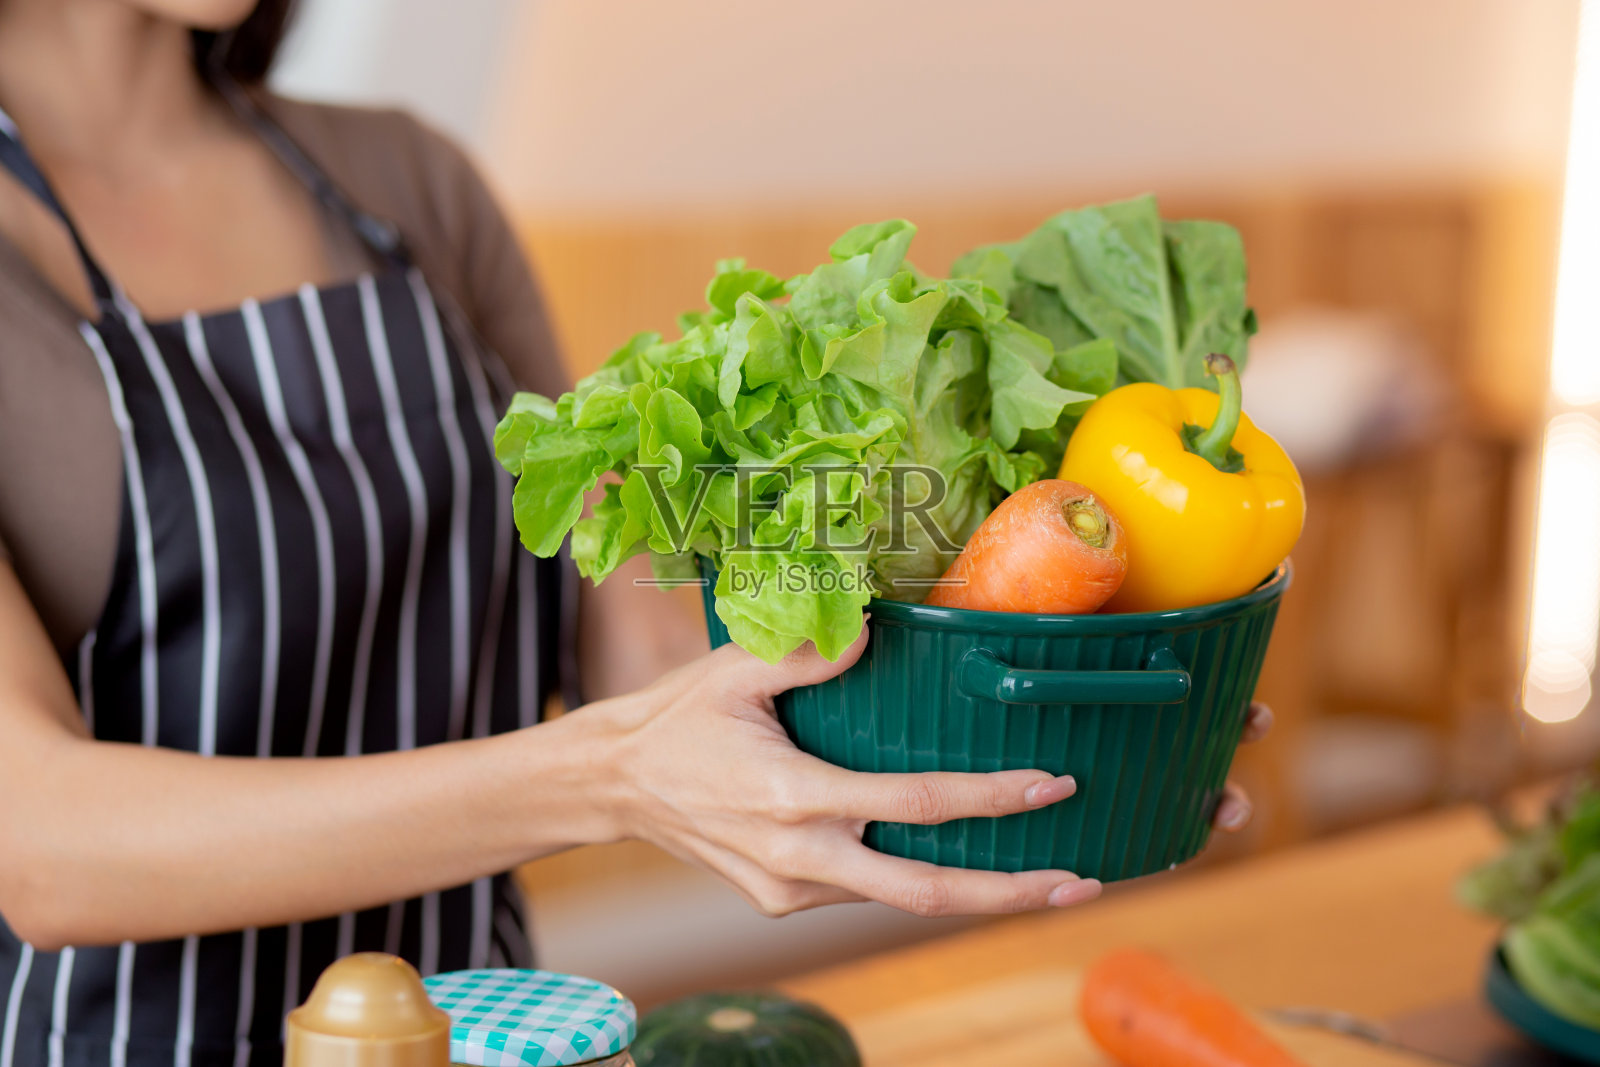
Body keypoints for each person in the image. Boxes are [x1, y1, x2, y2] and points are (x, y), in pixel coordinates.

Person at [0, 1, 1273, 1064]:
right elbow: (42, 842)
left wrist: (1008, 723)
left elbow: (634, 644)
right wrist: (608, 775)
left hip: (493, 1033)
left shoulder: (404, 182)